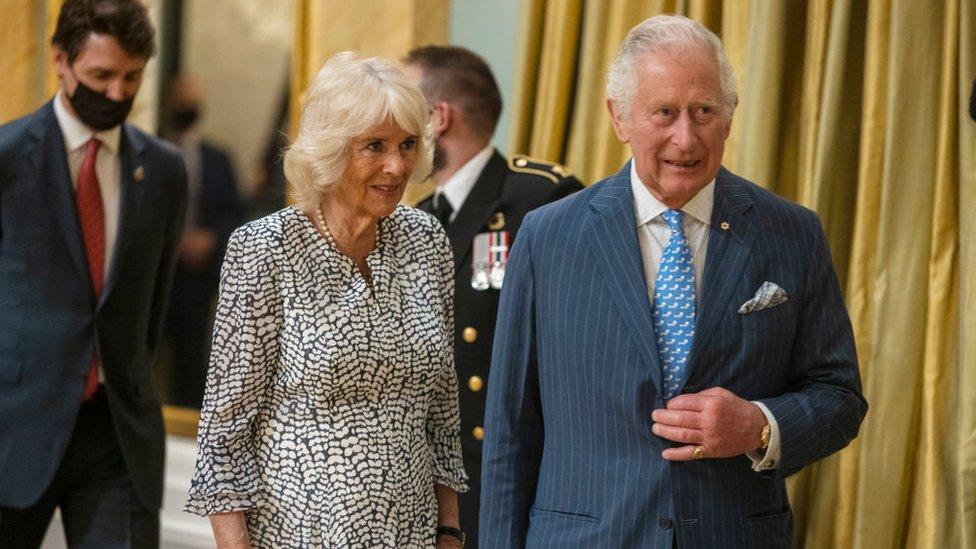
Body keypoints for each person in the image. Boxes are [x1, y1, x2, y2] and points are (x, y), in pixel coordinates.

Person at [480, 15, 868, 548]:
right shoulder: (548, 238)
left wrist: (758, 425)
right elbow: (509, 430)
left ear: (729, 118)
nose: (684, 139)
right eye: (663, 112)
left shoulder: (792, 233)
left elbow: (840, 397)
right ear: (619, 118)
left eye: (703, 111)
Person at [185, 52, 469, 549]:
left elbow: (442, 412)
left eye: (407, 144)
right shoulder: (265, 249)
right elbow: (224, 437)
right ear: (332, 148)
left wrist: (449, 531)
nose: (396, 165)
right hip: (299, 535)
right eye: (374, 146)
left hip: (414, 534)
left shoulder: (427, 241)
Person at [0, 0, 188, 546]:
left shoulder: (164, 170)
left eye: (132, 78)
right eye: (100, 75)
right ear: (60, 60)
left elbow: (154, 302)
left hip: (117, 435)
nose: (116, 94)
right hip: (14, 430)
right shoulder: (8, 157)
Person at [403, 45, 583, 545]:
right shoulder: (418, 218)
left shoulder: (540, 197)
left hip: (509, 480)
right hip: (428, 484)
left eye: (404, 108)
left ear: (438, 118)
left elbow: (575, 351)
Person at [161, 75, 244, 408]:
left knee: (193, 358)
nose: (187, 108)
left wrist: (209, 240)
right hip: (158, 274)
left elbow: (235, 216)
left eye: (193, 101)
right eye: (182, 100)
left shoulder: (217, 158)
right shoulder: (149, 151)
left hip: (199, 276)